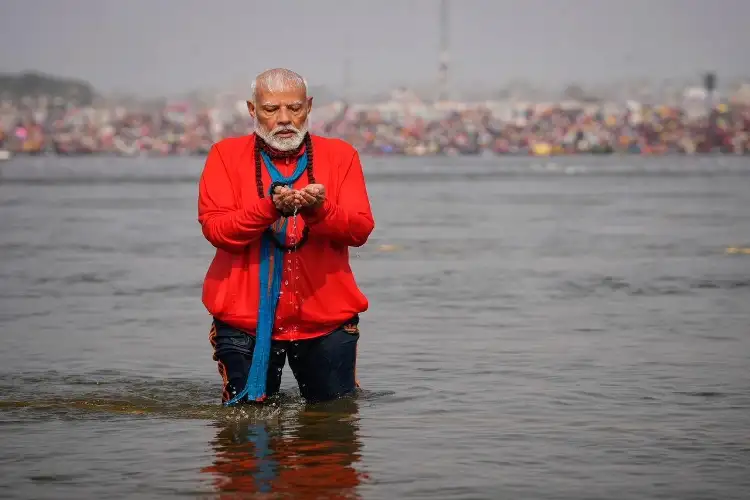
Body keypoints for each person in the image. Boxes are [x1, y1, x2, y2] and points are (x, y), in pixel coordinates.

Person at [198, 68, 374, 405]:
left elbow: (360, 230)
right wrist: (268, 208)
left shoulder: (341, 156)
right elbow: (217, 231)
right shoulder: (224, 155)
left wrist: (320, 210)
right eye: (271, 109)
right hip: (242, 322)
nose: (284, 119)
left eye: (294, 108)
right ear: (252, 110)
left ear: (309, 107)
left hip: (327, 321)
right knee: (246, 435)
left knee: (332, 433)